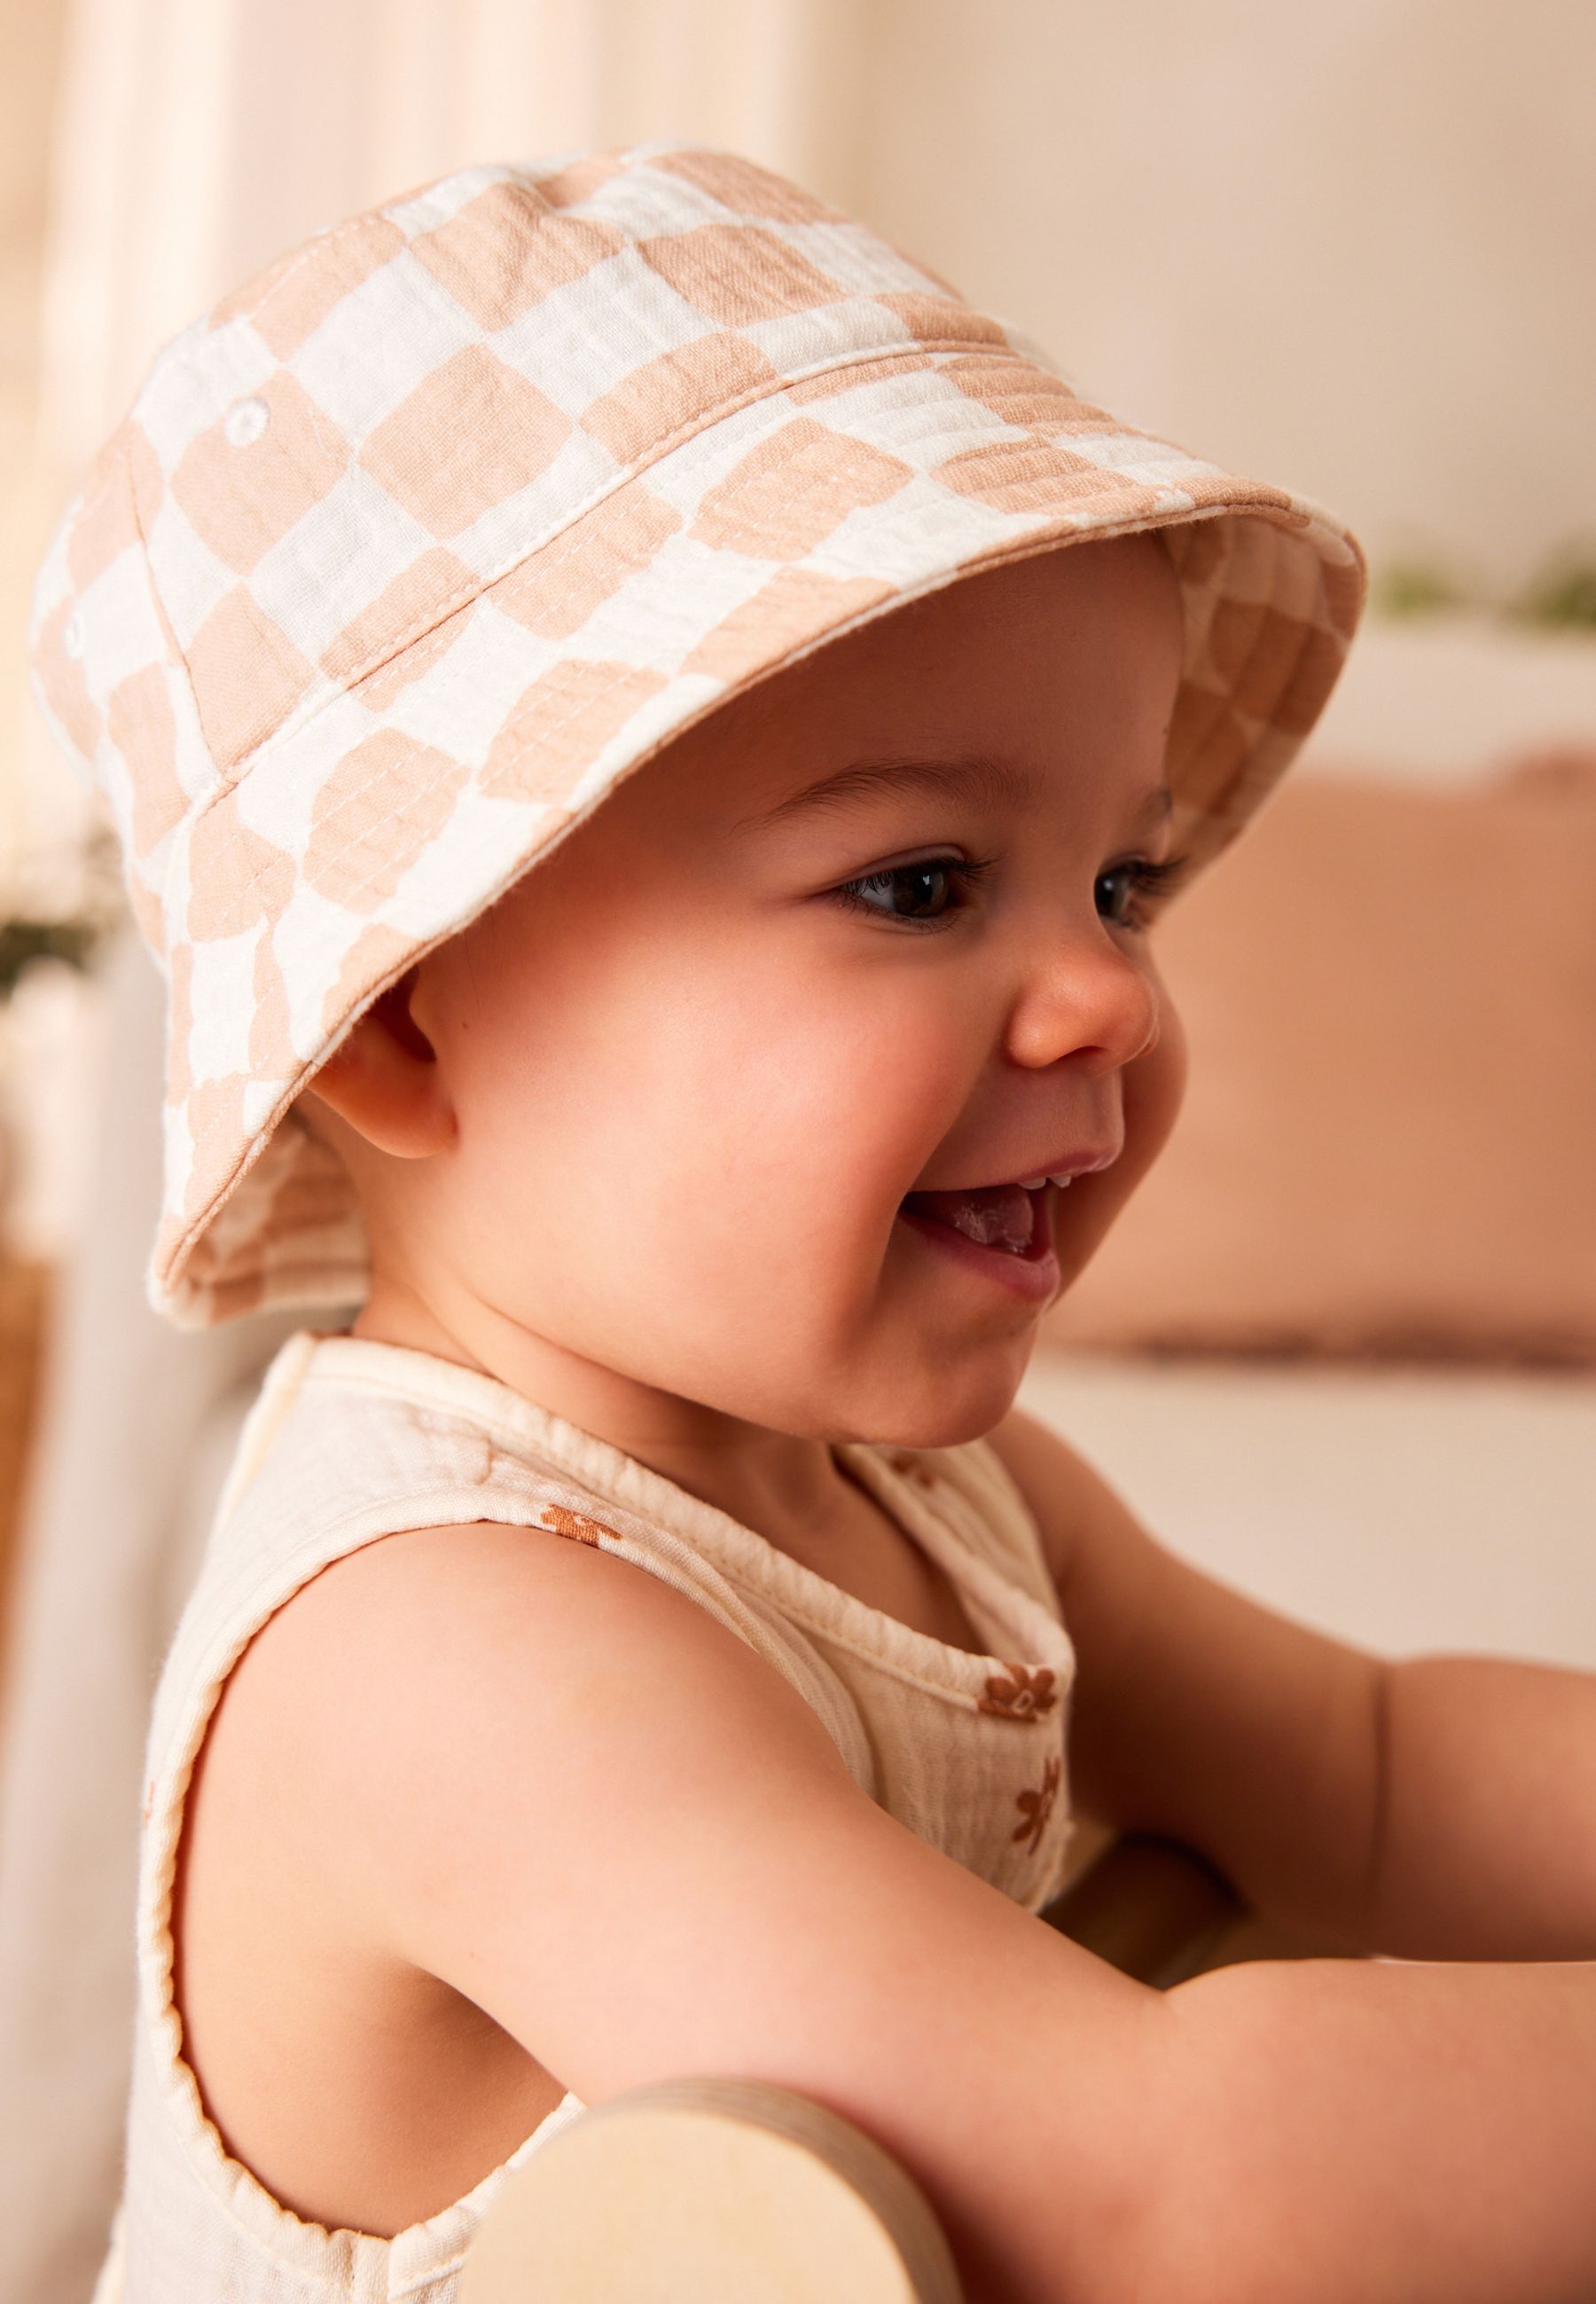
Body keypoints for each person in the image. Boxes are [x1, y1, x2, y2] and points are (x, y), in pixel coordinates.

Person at [27, 140, 1595, 2304]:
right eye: (921, 884)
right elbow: (1166, 2184)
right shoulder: (447, 1656)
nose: (1114, 991)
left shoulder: (934, 1495)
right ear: (401, 1026)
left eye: (1122, 882)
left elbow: (1377, 1769)